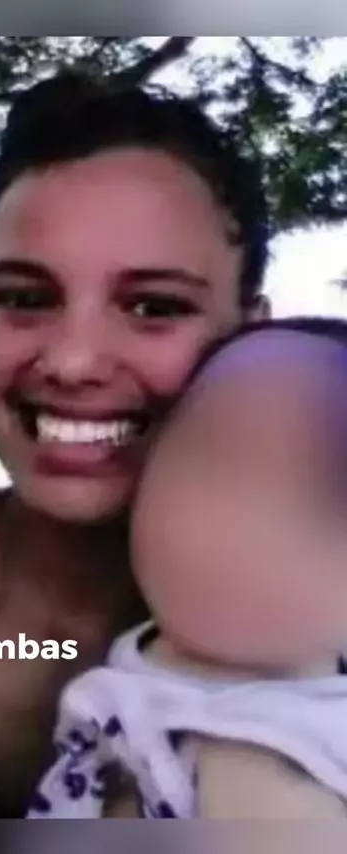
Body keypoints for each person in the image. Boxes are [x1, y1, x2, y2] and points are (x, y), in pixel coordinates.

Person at [0, 72, 268, 817]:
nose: (74, 362)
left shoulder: (315, 636)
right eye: (24, 297)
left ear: (252, 334)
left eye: (154, 306)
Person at [28, 317, 347, 819]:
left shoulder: (277, 756)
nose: (249, 525)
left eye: (324, 505)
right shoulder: (145, 659)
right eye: (219, 458)